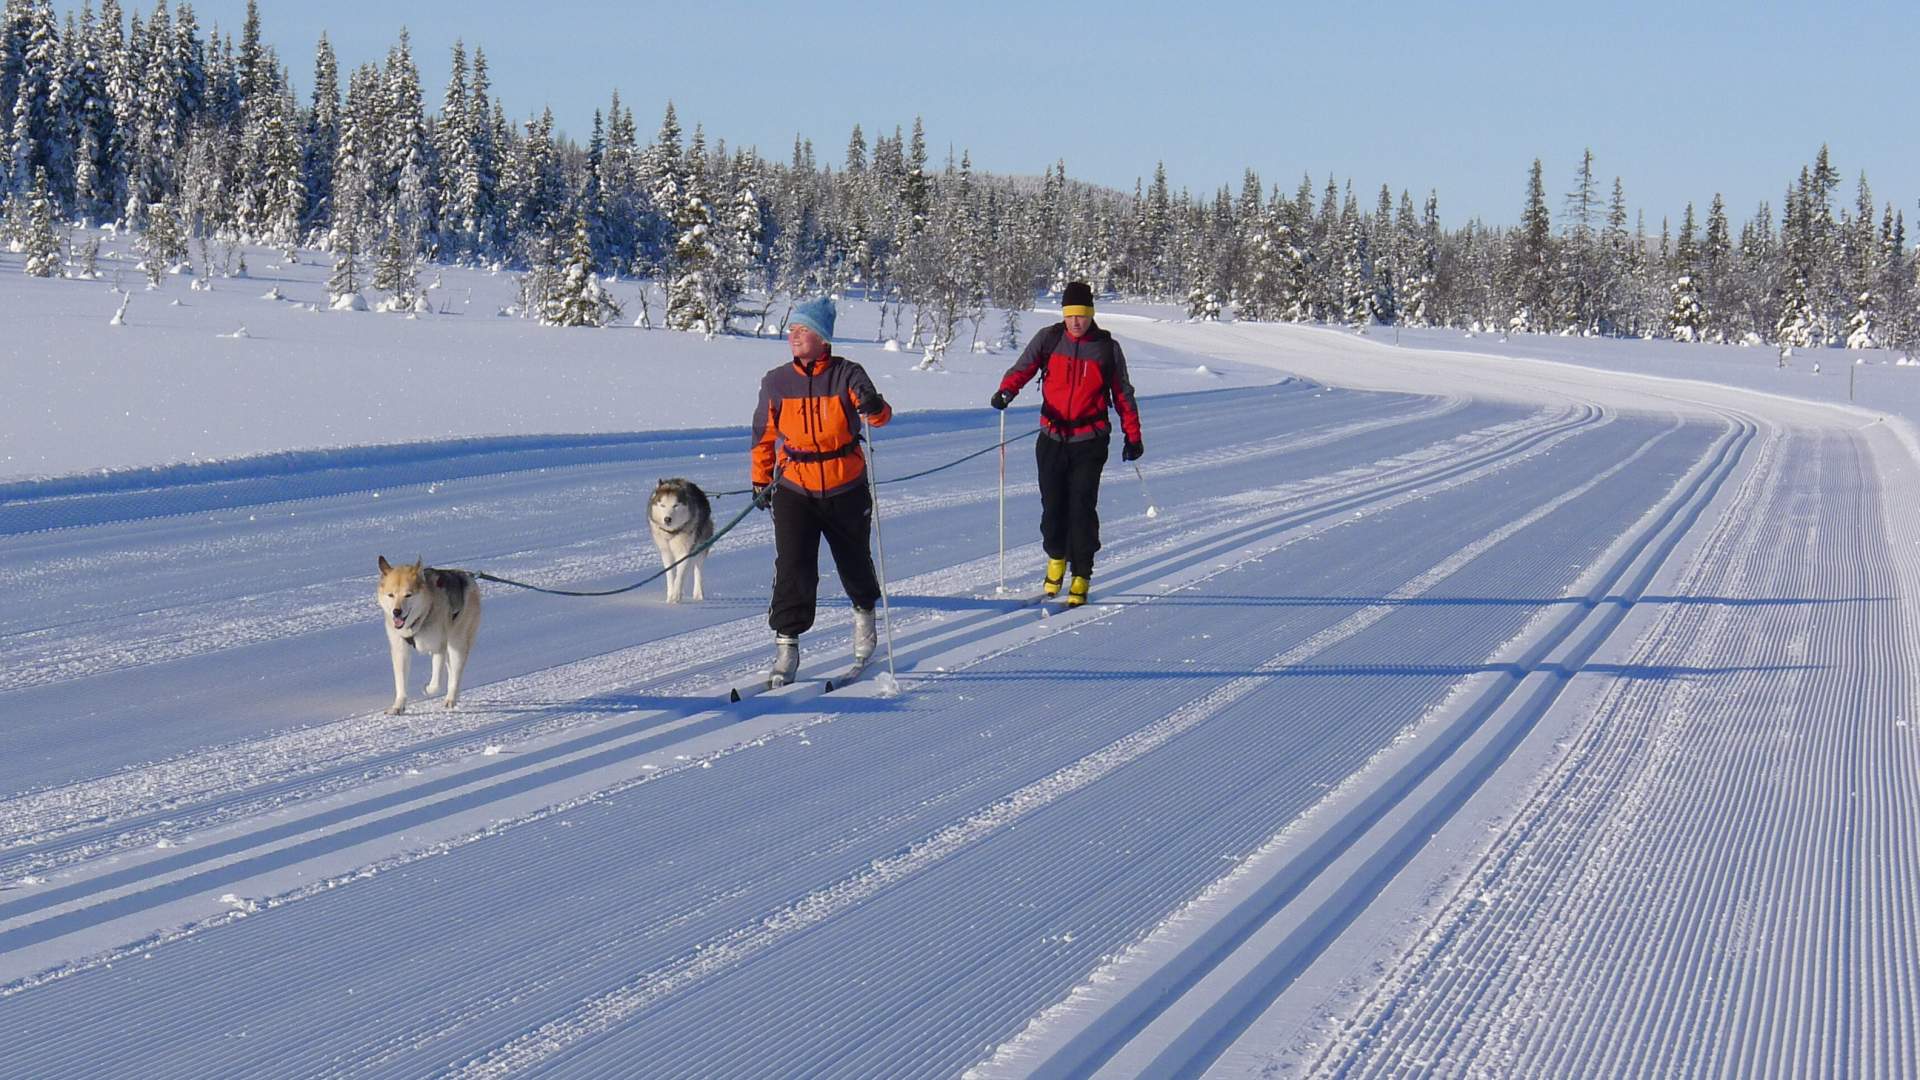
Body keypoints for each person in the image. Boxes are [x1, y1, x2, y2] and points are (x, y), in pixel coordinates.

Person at [750, 296, 892, 685]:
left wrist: (874, 404)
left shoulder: (848, 373)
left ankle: (864, 619)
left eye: (804, 330)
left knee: (854, 559)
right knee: (793, 565)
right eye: (792, 329)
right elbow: (763, 435)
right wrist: (761, 479)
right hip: (795, 486)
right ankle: (787, 647)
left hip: (846, 484)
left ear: (823, 337)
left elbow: (880, 417)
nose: (794, 336)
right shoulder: (776, 381)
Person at [990, 281, 1143, 607]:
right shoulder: (1049, 338)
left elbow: (1123, 394)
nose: (1076, 321)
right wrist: (1007, 391)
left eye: (1082, 315)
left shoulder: (1105, 348)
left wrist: (1133, 435)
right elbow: (1024, 367)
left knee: (1081, 508)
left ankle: (1081, 573)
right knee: (1053, 507)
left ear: (1091, 314)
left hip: (1089, 440)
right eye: (1071, 315)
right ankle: (1056, 558)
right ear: (1064, 314)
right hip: (1052, 438)